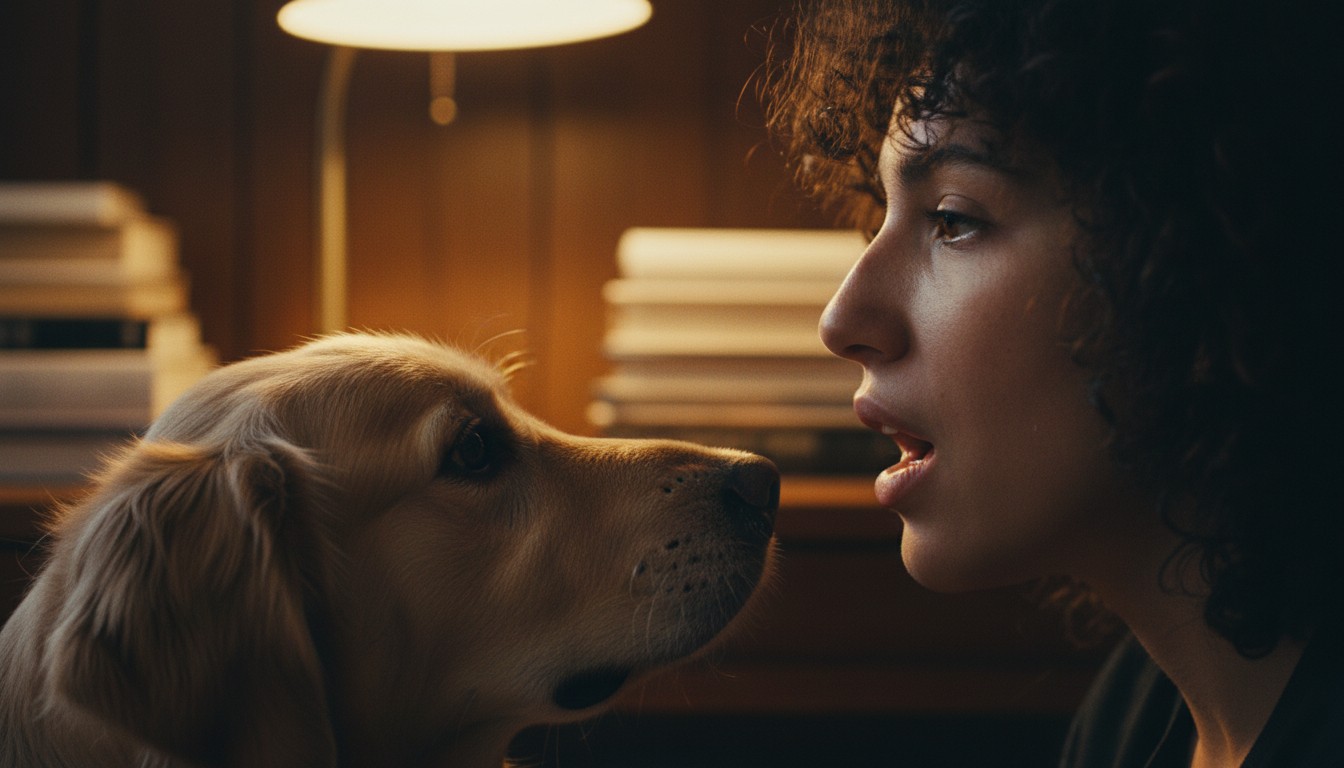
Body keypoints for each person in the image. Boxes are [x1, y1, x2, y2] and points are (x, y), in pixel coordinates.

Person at [763, 0, 1343, 766]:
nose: (841, 320)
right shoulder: (1131, 714)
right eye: (881, 216)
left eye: (953, 219)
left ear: (1196, 246)